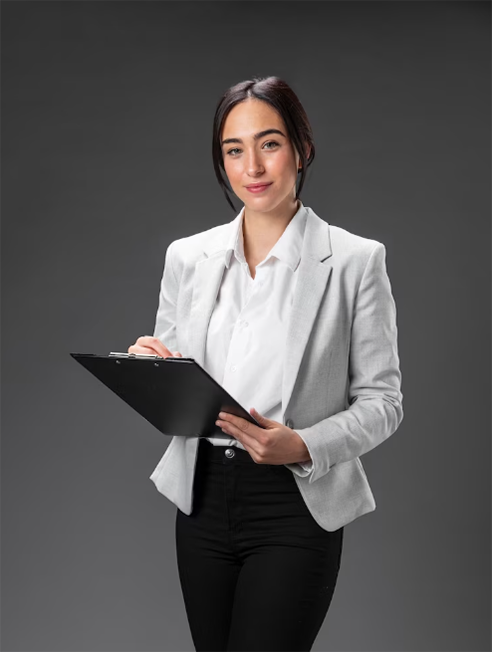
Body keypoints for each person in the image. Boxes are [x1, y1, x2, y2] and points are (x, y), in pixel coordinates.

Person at [128, 76, 404, 652]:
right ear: (221, 161)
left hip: (296, 502)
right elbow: (181, 381)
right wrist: (154, 371)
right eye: (234, 149)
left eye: (270, 143)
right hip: (201, 498)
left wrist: (300, 445)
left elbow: (383, 402)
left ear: (301, 150)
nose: (252, 165)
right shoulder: (188, 257)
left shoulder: (355, 262)